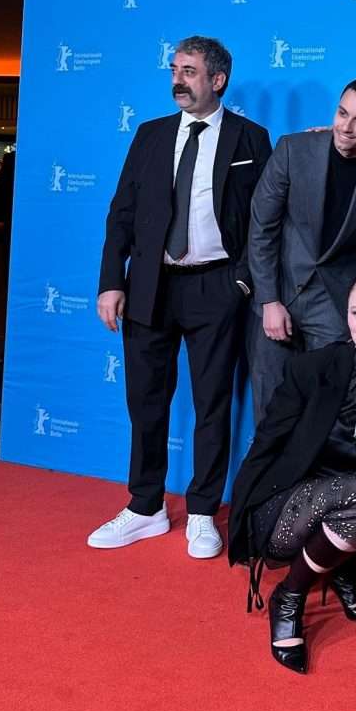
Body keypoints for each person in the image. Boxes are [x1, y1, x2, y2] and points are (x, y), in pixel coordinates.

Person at [90, 35, 271, 558]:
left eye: (189, 71)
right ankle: (145, 506)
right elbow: (121, 213)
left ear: (218, 79)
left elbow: (264, 217)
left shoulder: (251, 138)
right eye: (175, 69)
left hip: (217, 285)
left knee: (213, 402)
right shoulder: (149, 135)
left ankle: (201, 512)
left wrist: (242, 282)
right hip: (150, 284)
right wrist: (111, 281)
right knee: (145, 399)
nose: (177, 80)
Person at [227, 271, 356, 673]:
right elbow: (268, 442)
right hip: (294, 503)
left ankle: (341, 567)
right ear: (346, 316)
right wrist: (242, 514)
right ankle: (290, 595)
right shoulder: (312, 368)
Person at [247, 78, 356, 421]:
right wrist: (269, 300)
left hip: (333, 304)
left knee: (326, 413)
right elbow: (261, 229)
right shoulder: (293, 149)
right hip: (278, 294)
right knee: (270, 410)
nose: (346, 127)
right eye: (342, 114)